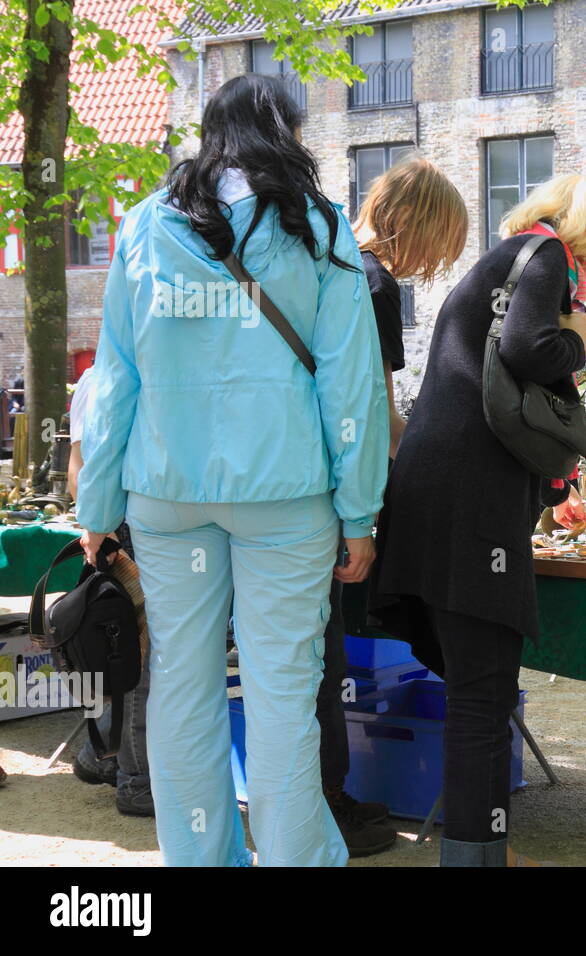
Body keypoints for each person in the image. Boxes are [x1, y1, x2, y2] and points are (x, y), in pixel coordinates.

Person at [76, 74, 388, 867]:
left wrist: (98, 500)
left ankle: (201, 860)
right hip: (285, 496)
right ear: (284, 130)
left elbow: (115, 377)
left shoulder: (145, 227)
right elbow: (348, 381)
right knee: (284, 689)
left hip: (167, 493)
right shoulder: (317, 228)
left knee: (181, 683)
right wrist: (360, 510)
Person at [368, 173, 586, 867]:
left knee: (472, 691)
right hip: (470, 515)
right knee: (483, 694)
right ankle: (477, 857)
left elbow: (499, 396)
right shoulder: (543, 258)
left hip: (432, 498)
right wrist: (583, 339)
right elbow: (527, 352)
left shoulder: (509, 258)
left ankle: (477, 848)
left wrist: (549, 491)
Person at [313, 159, 468, 856]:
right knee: (321, 658)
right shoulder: (372, 283)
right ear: (415, 225)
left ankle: (316, 799)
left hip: (282, 481)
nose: (433, 268)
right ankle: (330, 803)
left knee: (301, 656)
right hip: (323, 496)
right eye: (438, 248)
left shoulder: (328, 257)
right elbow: (372, 408)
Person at [66, 364, 154, 817]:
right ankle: (136, 779)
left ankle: (100, 756)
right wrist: (105, 528)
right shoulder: (107, 375)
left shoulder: (98, 376)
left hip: (129, 521)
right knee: (143, 655)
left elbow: (77, 467)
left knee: (135, 652)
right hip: (132, 524)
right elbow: (80, 468)